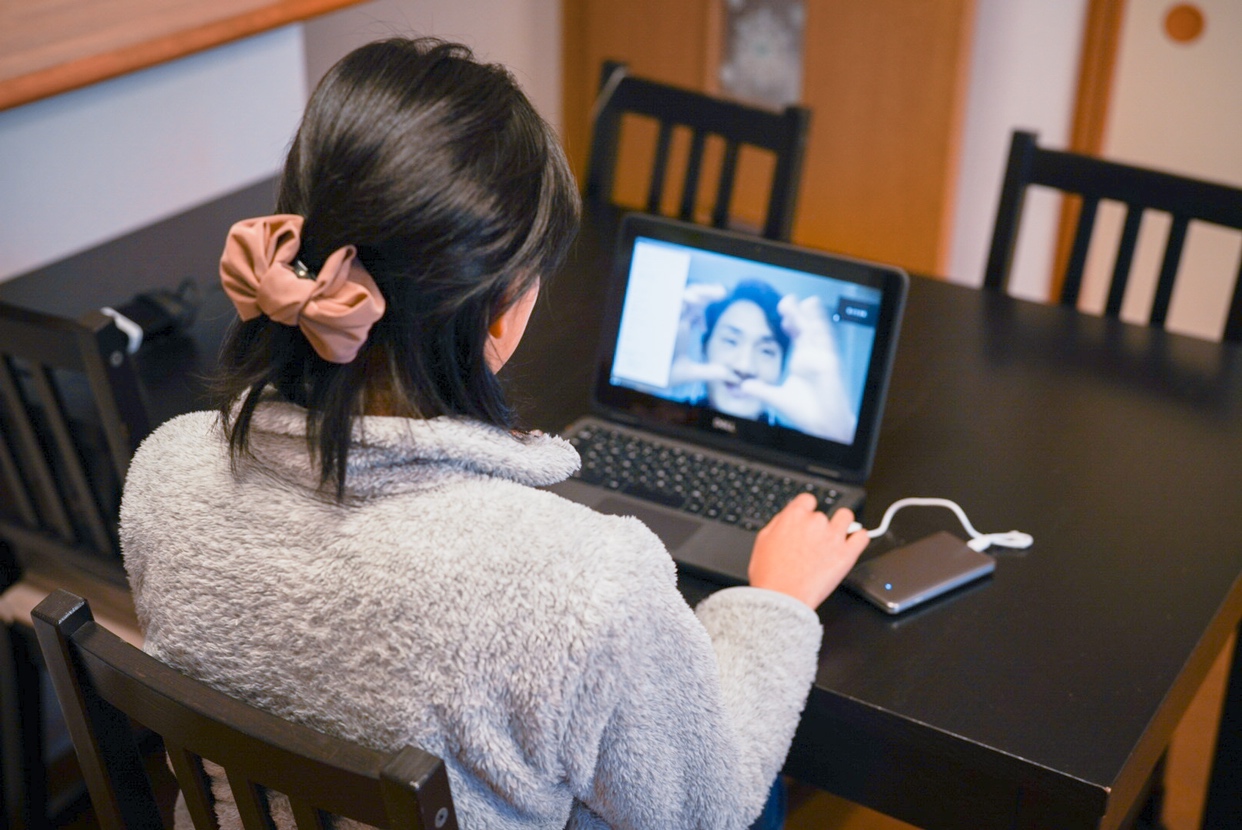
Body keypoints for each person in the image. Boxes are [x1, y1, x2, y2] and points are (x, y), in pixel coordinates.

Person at [119, 37, 869, 830]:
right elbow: (703, 809)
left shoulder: (167, 474)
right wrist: (773, 605)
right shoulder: (585, 583)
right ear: (504, 314)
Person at [669, 279, 858, 443]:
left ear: (781, 367)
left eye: (766, 351)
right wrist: (654, 379)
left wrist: (837, 436)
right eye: (731, 341)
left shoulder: (797, 446)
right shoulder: (664, 417)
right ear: (704, 348)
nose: (745, 366)